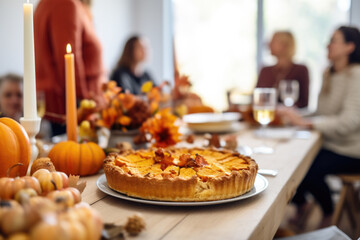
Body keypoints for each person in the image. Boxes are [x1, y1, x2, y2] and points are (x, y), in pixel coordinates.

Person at [278, 26, 360, 228]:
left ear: (350, 47)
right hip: (331, 143)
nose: (328, 44)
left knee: (306, 168)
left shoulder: (357, 76)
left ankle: (328, 213)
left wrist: (306, 123)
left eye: (334, 40)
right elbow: (320, 113)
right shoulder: (329, 74)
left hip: (352, 150)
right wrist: (295, 116)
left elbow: (349, 122)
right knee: (292, 158)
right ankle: (303, 204)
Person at [34, 0, 105, 136]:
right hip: (71, 107)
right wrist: (84, 105)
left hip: (65, 102)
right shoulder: (65, 4)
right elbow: (68, 59)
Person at [257, 31, 309, 108]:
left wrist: (283, 110)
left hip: (289, 117)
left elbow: (303, 102)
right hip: (266, 114)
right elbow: (256, 98)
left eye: (273, 41)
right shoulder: (265, 71)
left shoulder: (300, 70)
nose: (269, 44)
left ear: (285, 45)